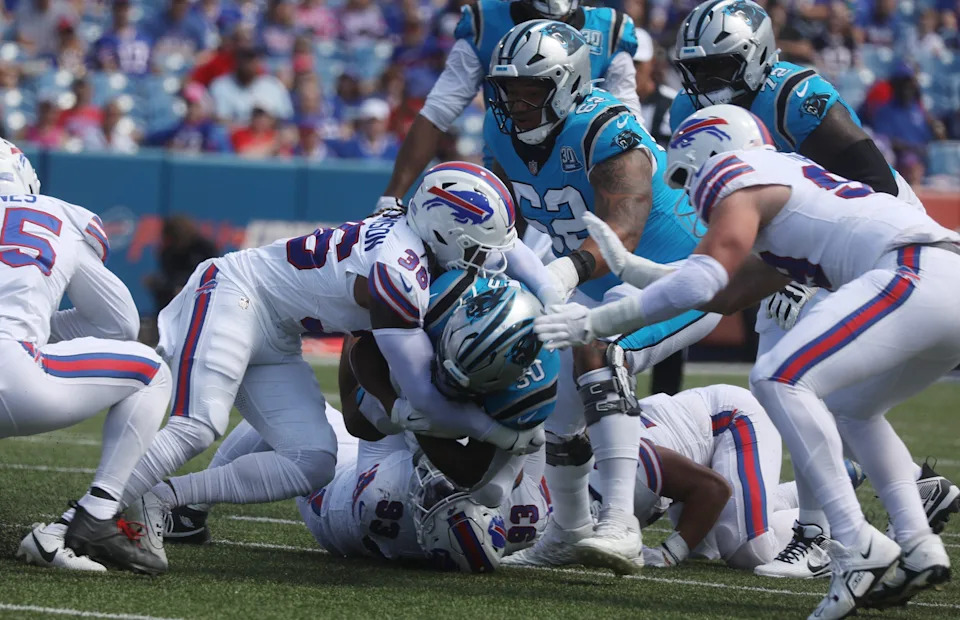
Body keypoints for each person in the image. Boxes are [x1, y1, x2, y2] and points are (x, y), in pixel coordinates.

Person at [534, 104, 956, 618]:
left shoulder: (735, 173)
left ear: (708, 154)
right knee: (850, 408)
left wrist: (595, 323)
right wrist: (631, 267)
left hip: (912, 271)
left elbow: (703, 281)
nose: (692, 195)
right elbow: (726, 294)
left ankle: (853, 547)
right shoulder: (794, 188)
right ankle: (917, 544)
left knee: (778, 375)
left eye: (687, 176)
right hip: (942, 276)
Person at [86, 162, 554, 573]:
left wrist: (557, 303)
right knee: (198, 423)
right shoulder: (399, 273)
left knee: (313, 461)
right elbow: (425, 398)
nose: (486, 265)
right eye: (475, 250)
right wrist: (502, 434)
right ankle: (78, 521)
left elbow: (510, 253)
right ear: (443, 234)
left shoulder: (419, 234)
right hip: (233, 291)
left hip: (276, 329)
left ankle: (162, 499)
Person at [667, 0, 958, 579]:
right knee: (812, 385)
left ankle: (819, 536)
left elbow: (872, 181)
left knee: (796, 376)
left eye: (720, 69)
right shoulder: (690, 107)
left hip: (868, 232)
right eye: (696, 70)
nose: (705, 84)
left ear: (757, 60)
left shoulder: (794, 93)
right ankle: (913, 491)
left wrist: (801, 271)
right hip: (798, 240)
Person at [484, 21, 720, 573]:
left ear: (566, 84)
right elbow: (503, 221)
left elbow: (623, 233)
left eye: (530, 89)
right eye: (507, 88)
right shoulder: (501, 136)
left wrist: (561, 271)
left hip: (678, 279)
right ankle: (568, 529)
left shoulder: (608, 130)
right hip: (596, 285)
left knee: (601, 347)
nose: (515, 101)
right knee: (559, 412)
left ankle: (621, 522)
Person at [0, 139, 171, 575]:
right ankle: (93, 516)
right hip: (15, 378)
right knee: (150, 370)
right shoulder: (58, 214)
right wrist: (36, 329)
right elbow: (120, 323)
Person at [376, 0, 641, 212]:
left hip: (584, 178)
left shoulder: (609, 30)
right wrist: (391, 197)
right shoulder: (485, 23)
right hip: (509, 176)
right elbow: (437, 111)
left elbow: (629, 121)